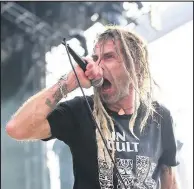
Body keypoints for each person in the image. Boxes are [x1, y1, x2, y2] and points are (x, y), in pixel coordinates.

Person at [6, 26, 180, 189]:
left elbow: (169, 178)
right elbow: (17, 128)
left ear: (136, 67)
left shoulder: (159, 117)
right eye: (96, 58)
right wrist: (69, 82)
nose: (97, 66)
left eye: (109, 57)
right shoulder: (81, 110)